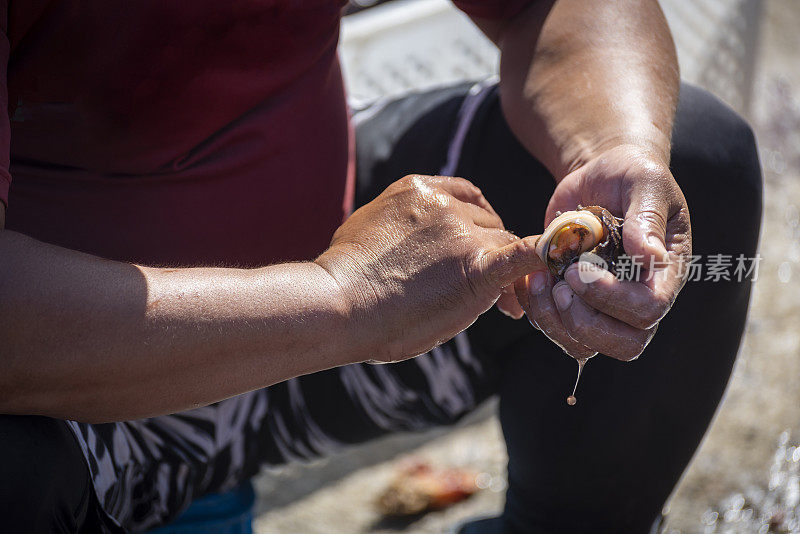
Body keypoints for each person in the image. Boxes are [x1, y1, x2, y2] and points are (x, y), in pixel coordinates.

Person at [0, 1, 761, 532]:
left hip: (317, 335)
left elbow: (544, 5)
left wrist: (614, 144)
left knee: (695, 153)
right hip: (78, 399)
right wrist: (338, 299)